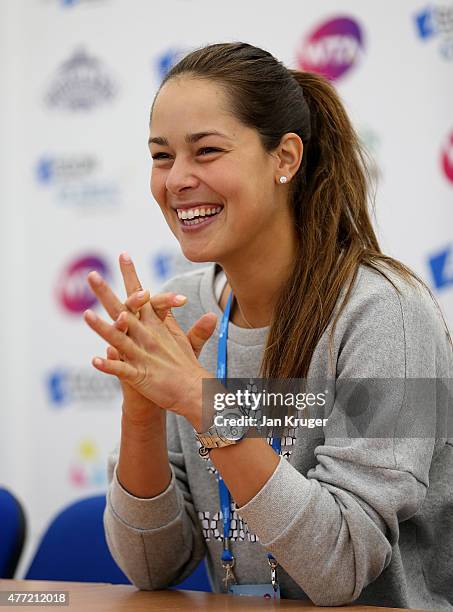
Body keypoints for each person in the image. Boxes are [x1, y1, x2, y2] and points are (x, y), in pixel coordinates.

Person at [84, 42, 453, 609]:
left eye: (206, 151)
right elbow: (151, 565)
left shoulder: (387, 314)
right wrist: (142, 410)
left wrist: (204, 404)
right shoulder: (181, 310)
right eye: (161, 156)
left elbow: (341, 567)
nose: (176, 179)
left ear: (284, 158)